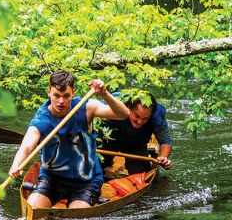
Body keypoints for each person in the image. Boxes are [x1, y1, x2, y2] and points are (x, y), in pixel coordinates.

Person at [9, 70, 130, 209]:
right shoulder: (42, 119)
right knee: (33, 209)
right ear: (49, 92)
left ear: (73, 92)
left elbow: (124, 114)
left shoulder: (86, 108)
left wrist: (104, 94)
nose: (61, 101)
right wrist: (16, 165)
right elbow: (26, 147)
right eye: (56, 95)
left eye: (66, 96)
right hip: (52, 179)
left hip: (86, 180)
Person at [100, 92, 172, 175]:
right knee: (94, 169)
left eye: (145, 118)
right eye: (137, 116)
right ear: (128, 108)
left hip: (136, 145)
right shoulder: (110, 105)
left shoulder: (156, 114)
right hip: (107, 143)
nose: (140, 121)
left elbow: (165, 141)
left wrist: (163, 157)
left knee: (140, 174)